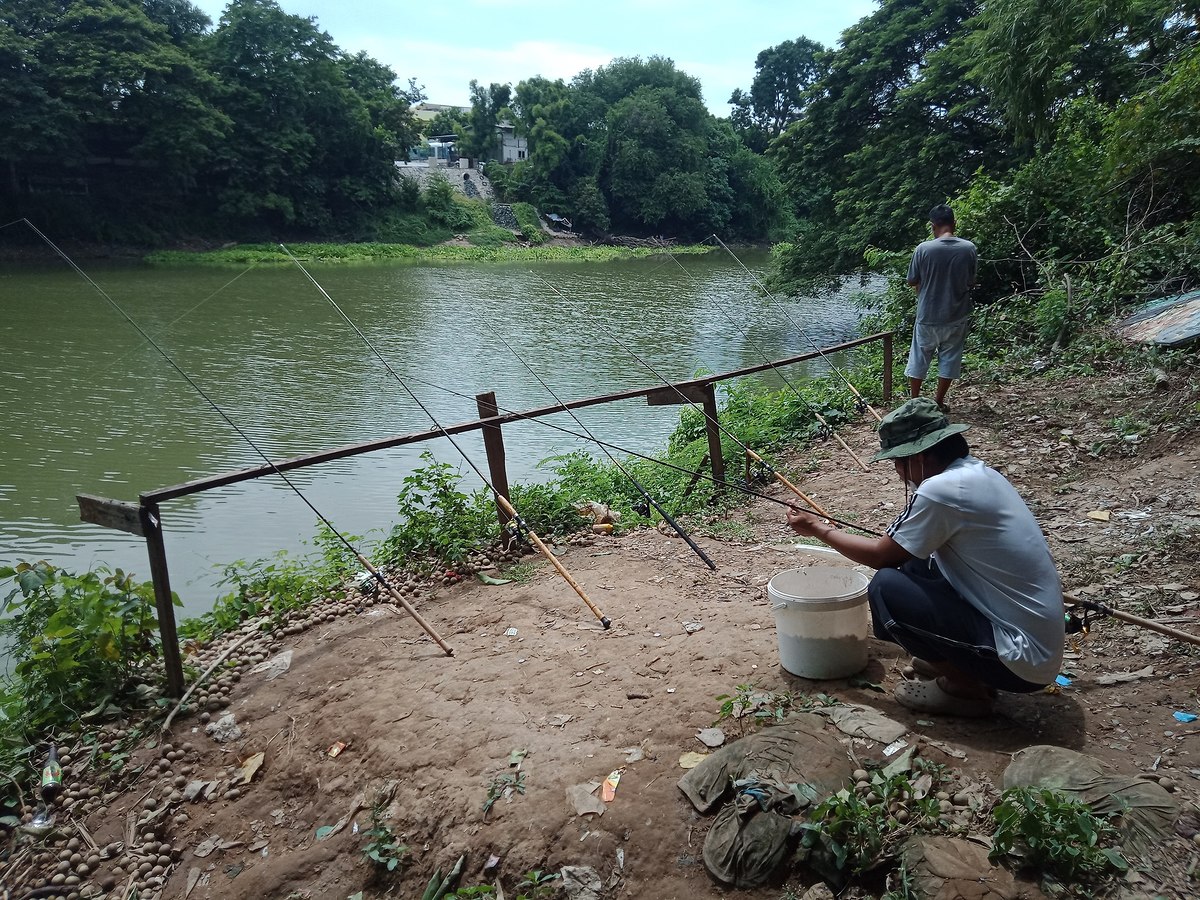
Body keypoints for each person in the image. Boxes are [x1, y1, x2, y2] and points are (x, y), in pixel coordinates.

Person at [784, 398, 1064, 717]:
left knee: (886, 586)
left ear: (918, 456)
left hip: (1022, 662)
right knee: (916, 562)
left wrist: (817, 529)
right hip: (1038, 647)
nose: (898, 472)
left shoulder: (941, 491)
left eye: (898, 462)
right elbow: (903, 548)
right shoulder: (977, 473)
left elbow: (881, 556)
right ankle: (954, 658)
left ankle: (964, 687)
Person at [905, 204, 977, 411]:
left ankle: (914, 401)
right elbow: (971, 280)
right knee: (950, 358)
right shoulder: (969, 248)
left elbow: (912, 280)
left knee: (919, 357)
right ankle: (938, 401)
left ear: (932, 226)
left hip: (928, 314)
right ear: (954, 223)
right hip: (956, 314)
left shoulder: (923, 249)